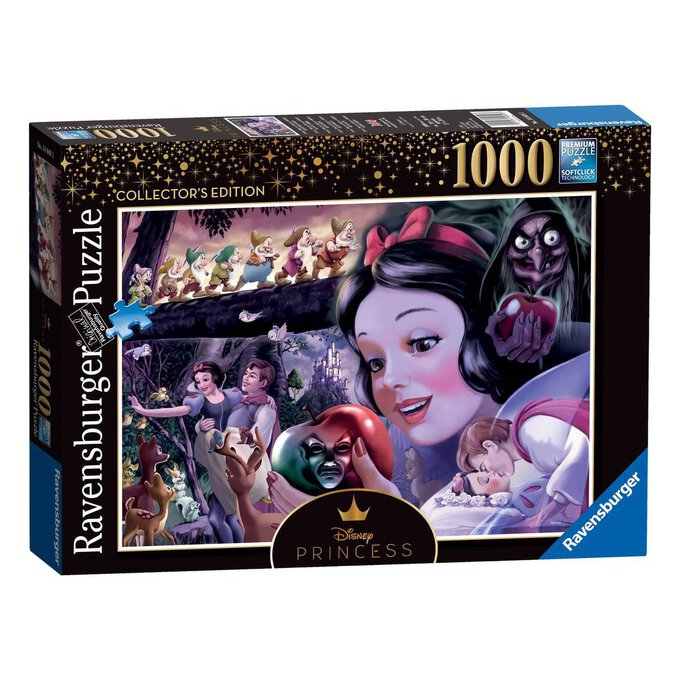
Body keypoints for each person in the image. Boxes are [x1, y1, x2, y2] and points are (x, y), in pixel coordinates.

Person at [336, 205, 525, 505]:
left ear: (487, 330)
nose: (391, 378)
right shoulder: (396, 446)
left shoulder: (556, 419)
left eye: (422, 344)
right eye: (376, 363)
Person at [455, 397, 590, 526]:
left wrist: (549, 511)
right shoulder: (527, 433)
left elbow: (579, 449)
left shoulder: (532, 433)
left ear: (490, 445)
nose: (490, 472)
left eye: (484, 467)